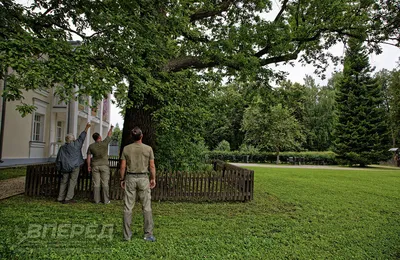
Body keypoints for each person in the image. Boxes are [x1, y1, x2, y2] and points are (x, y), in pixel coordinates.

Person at [120, 127, 156, 242]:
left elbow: (123, 167)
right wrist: (153, 178)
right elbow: (151, 166)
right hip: (143, 178)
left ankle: (127, 236)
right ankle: (148, 234)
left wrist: (122, 179)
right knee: (146, 206)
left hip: (130, 177)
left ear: (132, 137)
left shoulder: (126, 149)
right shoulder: (148, 149)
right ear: (141, 136)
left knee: (128, 207)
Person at [56, 122, 91, 204]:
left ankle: (60, 197)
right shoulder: (76, 144)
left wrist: (58, 168)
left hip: (65, 167)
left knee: (64, 181)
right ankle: (68, 198)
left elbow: (59, 159)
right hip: (75, 166)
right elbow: (82, 137)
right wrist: (86, 128)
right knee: (72, 181)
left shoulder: (62, 148)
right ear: (73, 139)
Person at [87, 125, 114, 204]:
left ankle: (96, 200)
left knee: (96, 183)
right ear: (99, 137)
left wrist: (88, 166)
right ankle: (105, 200)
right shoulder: (104, 143)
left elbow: (88, 157)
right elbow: (109, 135)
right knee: (105, 183)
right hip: (104, 166)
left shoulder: (91, 146)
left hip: (95, 166)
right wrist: (111, 128)